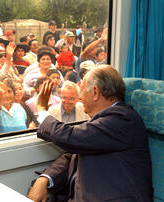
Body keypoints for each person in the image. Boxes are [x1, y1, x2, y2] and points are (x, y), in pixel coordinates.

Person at [28, 65, 153, 202]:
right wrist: (44, 179)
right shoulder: (102, 122)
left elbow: (72, 138)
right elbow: (72, 155)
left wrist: (41, 110)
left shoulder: (123, 119)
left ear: (95, 93)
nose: (80, 98)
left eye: (81, 91)